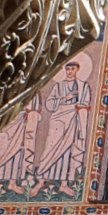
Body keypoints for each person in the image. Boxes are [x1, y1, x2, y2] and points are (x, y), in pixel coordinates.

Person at [30, 61, 90, 198]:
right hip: (57, 119)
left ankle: (64, 184)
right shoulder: (58, 86)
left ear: (77, 70)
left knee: (67, 151)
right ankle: (41, 180)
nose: (69, 71)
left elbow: (85, 103)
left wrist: (79, 106)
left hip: (73, 119)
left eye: (72, 69)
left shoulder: (83, 86)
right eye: (67, 69)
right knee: (50, 148)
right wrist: (65, 98)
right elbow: (50, 104)